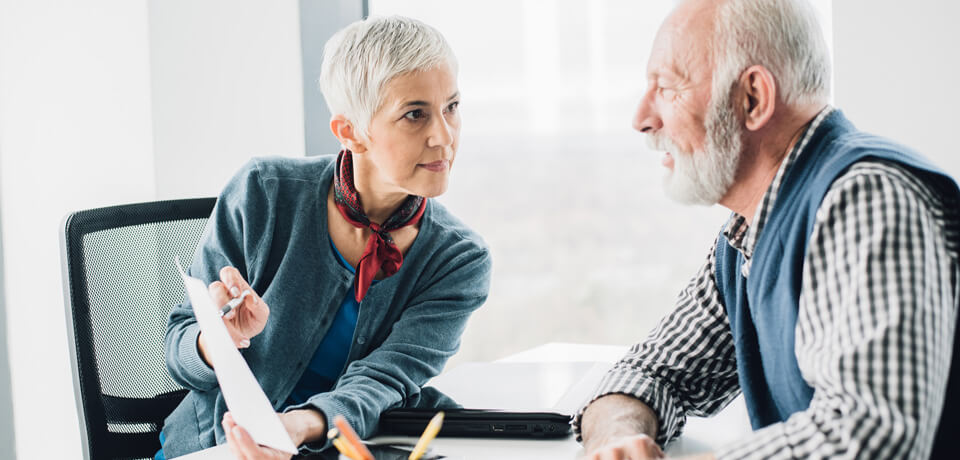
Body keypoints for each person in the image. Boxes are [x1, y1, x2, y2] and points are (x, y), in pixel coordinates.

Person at [576, 0, 960, 459]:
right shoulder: (746, 235)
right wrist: (617, 438)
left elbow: (869, 438)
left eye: (668, 88)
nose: (642, 118)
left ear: (752, 98)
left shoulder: (866, 199)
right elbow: (651, 371)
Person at [158, 15, 492, 460]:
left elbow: (386, 379)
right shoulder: (264, 191)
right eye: (415, 115)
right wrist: (217, 341)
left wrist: (295, 428)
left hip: (343, 448)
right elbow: (178, 347)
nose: (444, 137)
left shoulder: (459, 259)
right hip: (219, 447)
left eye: (451, 107)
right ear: (350, 132)